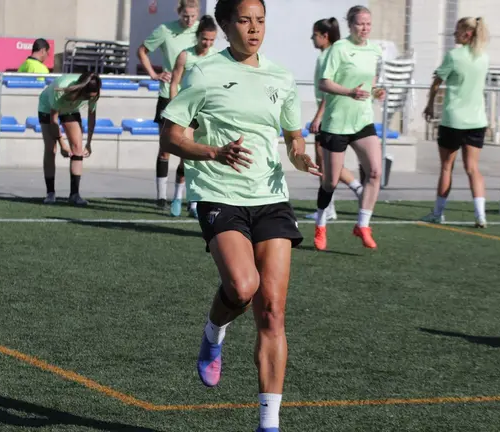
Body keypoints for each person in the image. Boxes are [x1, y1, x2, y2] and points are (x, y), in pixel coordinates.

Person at [159, 1, 319, 430]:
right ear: (226, 25)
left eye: (261, 21)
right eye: (245, 21)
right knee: (243, 287)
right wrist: (215, 152)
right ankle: (214, 333)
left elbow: (293, 139)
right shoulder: (203, 71)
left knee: (273, 312)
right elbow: (171, 136)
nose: (254, 29)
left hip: (270, 197)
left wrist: (301, 159)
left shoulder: (281, 77)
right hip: (218, 192)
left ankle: (269, 424)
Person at [312, 5, 386, 251]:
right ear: (350, 25)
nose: (364, 28)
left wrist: (377, 92)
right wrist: (348, 92)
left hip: (362, 120)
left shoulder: (375, 50)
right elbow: (325, 83)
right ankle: (321, 222)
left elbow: (371, 84)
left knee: (375, 172)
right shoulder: (339, 49)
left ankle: (363, 225)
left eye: (368, 23)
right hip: (337, 122)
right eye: (359, 24)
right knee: (330, 182)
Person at [423, 17, 490, 228]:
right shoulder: (484, 57)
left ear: (467, 34)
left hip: (453, 120)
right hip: (477, 120)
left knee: (446, 168)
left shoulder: (453, 56)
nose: (454, 35)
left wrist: (430, 105)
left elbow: (436, 82)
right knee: (473, 168)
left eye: (457, 32)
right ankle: (480, 215)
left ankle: (438, 213)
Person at [138, 0, 200, 210]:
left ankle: (180, 198)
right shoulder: (165, 30)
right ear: (179, 12)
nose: (189, 20)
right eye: (185, 15)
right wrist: (154, 74)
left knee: (188, 150)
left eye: (193, 16)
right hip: (167, 96)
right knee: (165, 148)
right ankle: (161, 197)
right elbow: (142, 51)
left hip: (191, 99)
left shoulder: (201, 32)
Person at [304, 17, 363, 222]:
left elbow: (328, 91)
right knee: (324, 164)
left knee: (326, 164)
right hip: (331, 115)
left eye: (315, 34)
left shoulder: (329, 56)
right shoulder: (328, 54)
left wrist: (318, 117)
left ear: (325, 36)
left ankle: (356, 192)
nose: (312, 38)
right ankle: (331, 206)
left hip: (330, 117)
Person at [168, 14, 219, 218]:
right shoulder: (185, 56)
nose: (207, 43)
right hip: (188, 113)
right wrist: (175, 109)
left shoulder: (217, 56)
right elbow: (174, 82)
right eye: (204, 39)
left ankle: (195, 202)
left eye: (211, 40)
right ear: (197, 36)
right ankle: (177, 197)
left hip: (207, 114)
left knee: (204, 158)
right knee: (187, 158)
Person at [37, 72, 101, 206]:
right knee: (51, 149)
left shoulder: (94, 93)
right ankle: (50, 192)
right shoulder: (60, 89)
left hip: (71, 109)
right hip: (48, 108)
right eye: (87, 97)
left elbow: (91, 118)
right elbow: (54, 120)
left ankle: (74, 194)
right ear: (81, 90)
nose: (89, 99)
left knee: (78, 147)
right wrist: (62, 143)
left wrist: (89, 143)